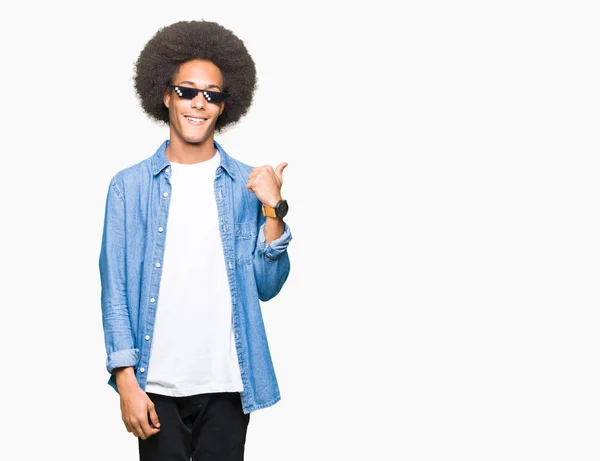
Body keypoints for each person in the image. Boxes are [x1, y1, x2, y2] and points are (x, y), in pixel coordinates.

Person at [98, 20, 292, 461]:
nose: (198, 104)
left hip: (227, 385)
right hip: (155, 385)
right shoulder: (129, 188)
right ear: (165, 95)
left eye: (212, 95)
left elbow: (268, 285)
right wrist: (126, 381)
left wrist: (272, 209)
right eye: (187, 91)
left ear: (225, 105)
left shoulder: (248, 183)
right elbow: (116, 292)